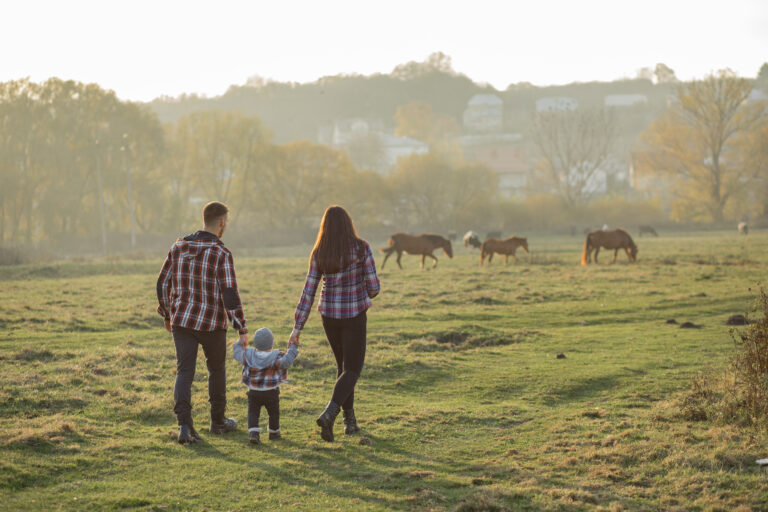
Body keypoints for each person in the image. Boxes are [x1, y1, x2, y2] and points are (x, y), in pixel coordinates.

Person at [157, 201, 248, 445]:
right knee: (216, 370)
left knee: (184, 371)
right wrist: (241, 327)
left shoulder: (179, 246)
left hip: (182, 321)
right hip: (212, 323)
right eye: (226, 222)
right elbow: (229, 292)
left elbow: (162, 283)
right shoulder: (221, 253)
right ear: (221, 223)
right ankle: (217, 422)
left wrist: (167, 313)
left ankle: (184, 427)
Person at [290, 205, 380, 442]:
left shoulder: (320, 251)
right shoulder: (362, 248)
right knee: (353, 369)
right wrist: (361, 286)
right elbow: (374, 288)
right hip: (354, 315)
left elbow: (308, 291)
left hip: (329, 316)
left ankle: (349, 422)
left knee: (343, 368)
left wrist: (297, 327)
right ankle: (330, 413)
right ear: (348, 223)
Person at [233, 327, 299, 444]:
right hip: (271, 392)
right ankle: (274, 433)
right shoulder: (276, 356)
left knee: (253, 412)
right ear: (271, 343)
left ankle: (254, 433)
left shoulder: (248, 355)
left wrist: (241, 341)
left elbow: (237, 353)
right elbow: (287, 361)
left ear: (255, 342)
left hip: (253, 391)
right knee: (273, 413)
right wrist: (293, 347)